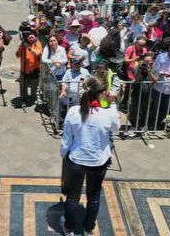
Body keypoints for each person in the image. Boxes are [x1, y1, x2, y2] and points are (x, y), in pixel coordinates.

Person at [59, 76, 120, 236]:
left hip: (76, 161)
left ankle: (69, 227)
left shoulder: (73, 111)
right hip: (99, 162)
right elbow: (116, 128)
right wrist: (113, 103)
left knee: (73, 197)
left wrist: (64, 155)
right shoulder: (108, 114)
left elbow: (67, 139)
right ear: (102, 94)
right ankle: (88, 228)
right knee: (94, 196)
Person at [17, 33, 43, 107]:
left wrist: (28, 47)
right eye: (29, 35)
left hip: (35, 69)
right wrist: (21, 47)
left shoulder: (37, 43)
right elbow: (17, 55)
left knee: (33, 88)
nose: (31, 36)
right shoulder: (23, 44)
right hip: (24, 69)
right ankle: (23, 99)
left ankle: (32, 99)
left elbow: (37, 53)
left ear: (35, 37)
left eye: (33, 35)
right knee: (23, 87)